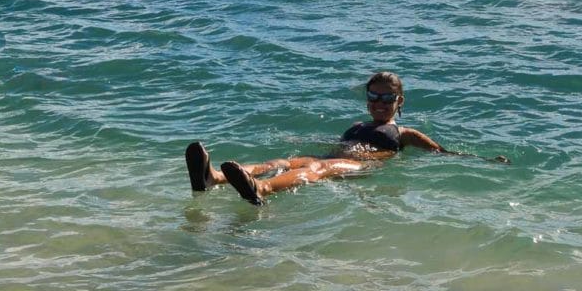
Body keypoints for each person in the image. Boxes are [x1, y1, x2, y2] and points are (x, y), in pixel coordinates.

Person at [185, 72, 509, 205]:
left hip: (363, 166)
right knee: (283, 161)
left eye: (387, 99)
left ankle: (262, 189)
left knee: (315, 172)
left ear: (400, 102)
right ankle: (213, 178)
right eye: (374, 96)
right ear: (367, 99)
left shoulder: (405, 133)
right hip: (335, 157)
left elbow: (442, 153)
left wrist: (485, 162)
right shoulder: (356, 125)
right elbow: (332, 150)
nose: (379, 104)